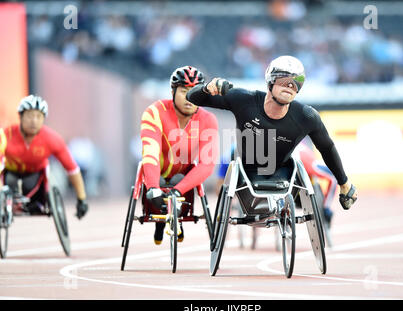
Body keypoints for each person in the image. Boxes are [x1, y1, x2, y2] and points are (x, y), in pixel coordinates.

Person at [186, 55, 357, 211]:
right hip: (244, 173)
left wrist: (344, 183)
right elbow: (192, 98)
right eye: (284, 78)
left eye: (297, 80)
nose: (290, 85)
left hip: (283, 175)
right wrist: (207, 88)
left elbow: (327, 148)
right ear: (270, 80)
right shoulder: (244, 99)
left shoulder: (307, 116)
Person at [141, 66, 219, 245]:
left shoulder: (208, 119)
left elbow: (207, 163)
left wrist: (177, 191)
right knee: (158, 184)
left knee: (178, 178)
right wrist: (152, 186)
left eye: (196, 92)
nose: (190, 98)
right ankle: (160, 221)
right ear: (173, 91)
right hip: (157, 172)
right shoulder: (155, 112)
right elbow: (150, 151)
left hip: (182, 175)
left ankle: (176, 213)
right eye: (184, 92)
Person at [0, 95, 88, 219]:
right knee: (9, 181)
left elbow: (72, 169)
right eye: (30, 115)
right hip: (10, 174)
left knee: (31, 187)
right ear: (20, 116)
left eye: (39, 117)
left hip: (35, 176)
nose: (34, 121)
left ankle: (33, 203)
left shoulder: (52, 139)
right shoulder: (5, 135)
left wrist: (81, 199)